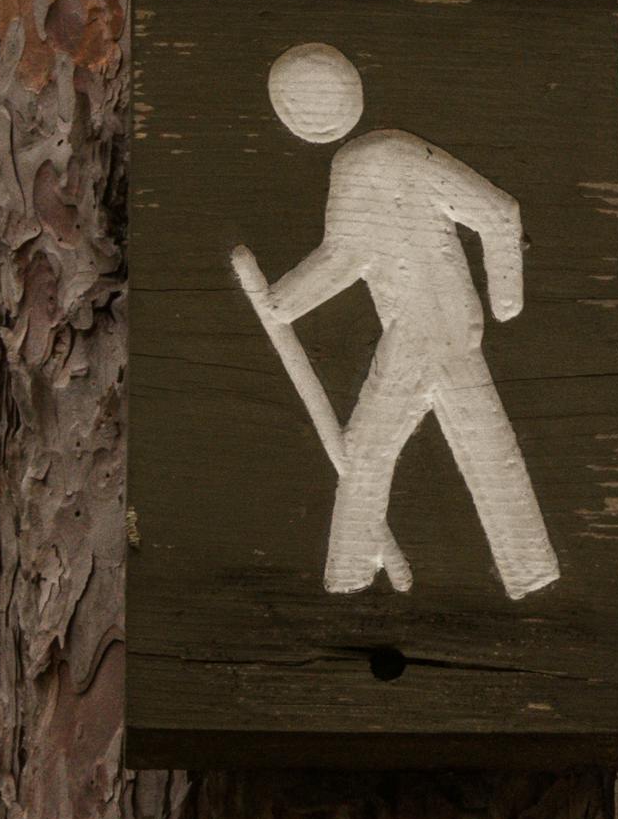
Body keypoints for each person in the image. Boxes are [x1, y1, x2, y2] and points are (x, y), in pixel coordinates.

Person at [231, 42, 560, 600]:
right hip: (454, 325)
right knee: (485, 447)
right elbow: (499, 215)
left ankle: (350, 572)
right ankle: (528, 566)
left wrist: (284, 302)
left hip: (419, 332)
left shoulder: (359, 165)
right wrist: (503, 302)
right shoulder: (402, 152)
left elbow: (347, 255)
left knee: (367, 449)